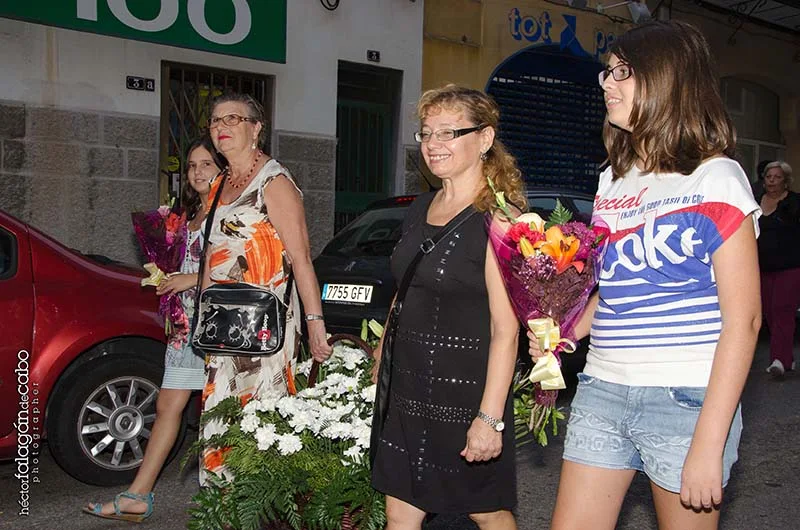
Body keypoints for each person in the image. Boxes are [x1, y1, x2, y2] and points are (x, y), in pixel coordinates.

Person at [529, 21, 761, 530]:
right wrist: (561, 337)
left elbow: (743, 322)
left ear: (667, 78)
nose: (606, 83)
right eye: (606, 73)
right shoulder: (613, 177)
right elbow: (611, 292)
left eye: (622, 72)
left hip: (686, 399)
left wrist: (709, 442)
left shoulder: (715, 176)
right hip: (602, 388)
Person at [370, 85, 522, 530]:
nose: (432, 144)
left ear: (486, 139)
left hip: (464, 389)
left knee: (485, 509)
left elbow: (506, 328)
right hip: (409, 385)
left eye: (448, 132)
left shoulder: (500, 217)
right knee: (399, 509)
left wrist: (489, 418)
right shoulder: (421, 206)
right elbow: (408, 284)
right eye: (426, 133)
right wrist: (383, 349)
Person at [85, 135, 223, 521]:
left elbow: (245, 275)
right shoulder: (188, 217)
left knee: (222, 411)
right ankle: (138, 496)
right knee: (167, 406)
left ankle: (227, 501)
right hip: (186, 328)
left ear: (223, 168)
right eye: (192, 165)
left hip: (223, 329)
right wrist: (167, 279)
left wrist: (189, 280)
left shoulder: (230, 213)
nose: (197, 172)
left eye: (206, 165)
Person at [198, 92, 332, 484]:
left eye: (232, 119)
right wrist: (201, 318)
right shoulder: (218, 184)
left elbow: (302, 259)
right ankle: (223, 514)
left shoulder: (274, 182)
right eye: (215, 121)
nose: (220, 127)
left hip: (263, 328)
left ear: (256, 128)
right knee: (220, 431)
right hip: (223, 330)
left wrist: (315, 322)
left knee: (258, 435)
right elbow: (212, 256)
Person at [756, 161, 800, 377]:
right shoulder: (755, 202)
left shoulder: (794, 202)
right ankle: (787, 358)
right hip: (762, 267)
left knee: (783, 310)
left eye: (777, 177)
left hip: (789, 266)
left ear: (786, 181)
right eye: (768, 177)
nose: (772, 181)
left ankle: (779, 360)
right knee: (769, 313)